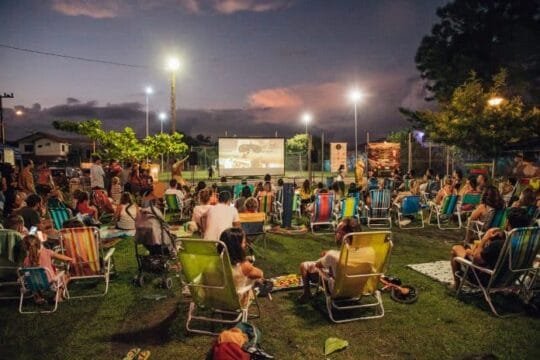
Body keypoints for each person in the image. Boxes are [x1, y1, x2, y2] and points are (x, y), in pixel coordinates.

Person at [450, 207, 531, 289]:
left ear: (508, 223)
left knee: (456, 248)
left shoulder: (499, 245)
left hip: (486, 280)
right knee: (470, 251)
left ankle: (456, 285)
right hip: (509, 280)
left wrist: (485, 238)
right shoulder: (527, 245)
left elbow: (476, 260)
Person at [298, 218, 367, 303]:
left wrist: (328, 256)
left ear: (344, 235)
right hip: (358, 288)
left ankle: (306, 294)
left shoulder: (333, 255)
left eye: (337, 231)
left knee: (304, 266)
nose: (335, 234)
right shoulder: (369, 252)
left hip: (338, 290)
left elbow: (318, 265)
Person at [218, 228, 263, 306]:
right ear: (237, 247)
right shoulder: (244, 266)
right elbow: (260, 274)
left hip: (217, 298)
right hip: (236, 301)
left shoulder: (215, 262)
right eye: (244, 242)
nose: (245, 245)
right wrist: (248, 265)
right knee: (255, 278)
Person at [22, 234, 73, 303]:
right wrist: (72, 259)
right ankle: (58, 296)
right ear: (39, 243)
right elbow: (68, 260)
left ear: (25, 247)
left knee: (32, 278)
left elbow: (27, 273)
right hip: (50, 284)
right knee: (66, 275)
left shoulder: (26, 260)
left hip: (33, 285)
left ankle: (38, 298)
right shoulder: (47, 252)